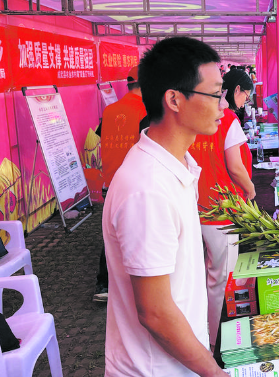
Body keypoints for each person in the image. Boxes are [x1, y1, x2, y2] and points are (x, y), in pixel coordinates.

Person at [102, 36, 227, 377]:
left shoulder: (175, 166)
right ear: (174, 99)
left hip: (180, 361)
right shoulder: (148, 188)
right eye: (216, 93)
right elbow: (155, 313)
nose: (224, 105)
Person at [190, 69, 254, 350]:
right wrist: (250, 191)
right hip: (222, 212)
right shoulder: (226, 120)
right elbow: (236, 167)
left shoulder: (192, 117)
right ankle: (210, 345)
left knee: (196, 277)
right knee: (218, 280)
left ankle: (197, 336)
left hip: (194, 208)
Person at [94, 65, 147, 303]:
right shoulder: (147, 111)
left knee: (112, 235)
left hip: (110, 182)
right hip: (135, 182)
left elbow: (98, 135)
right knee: (137, 234)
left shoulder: (111, 110)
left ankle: (103, 285)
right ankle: (134, 287)